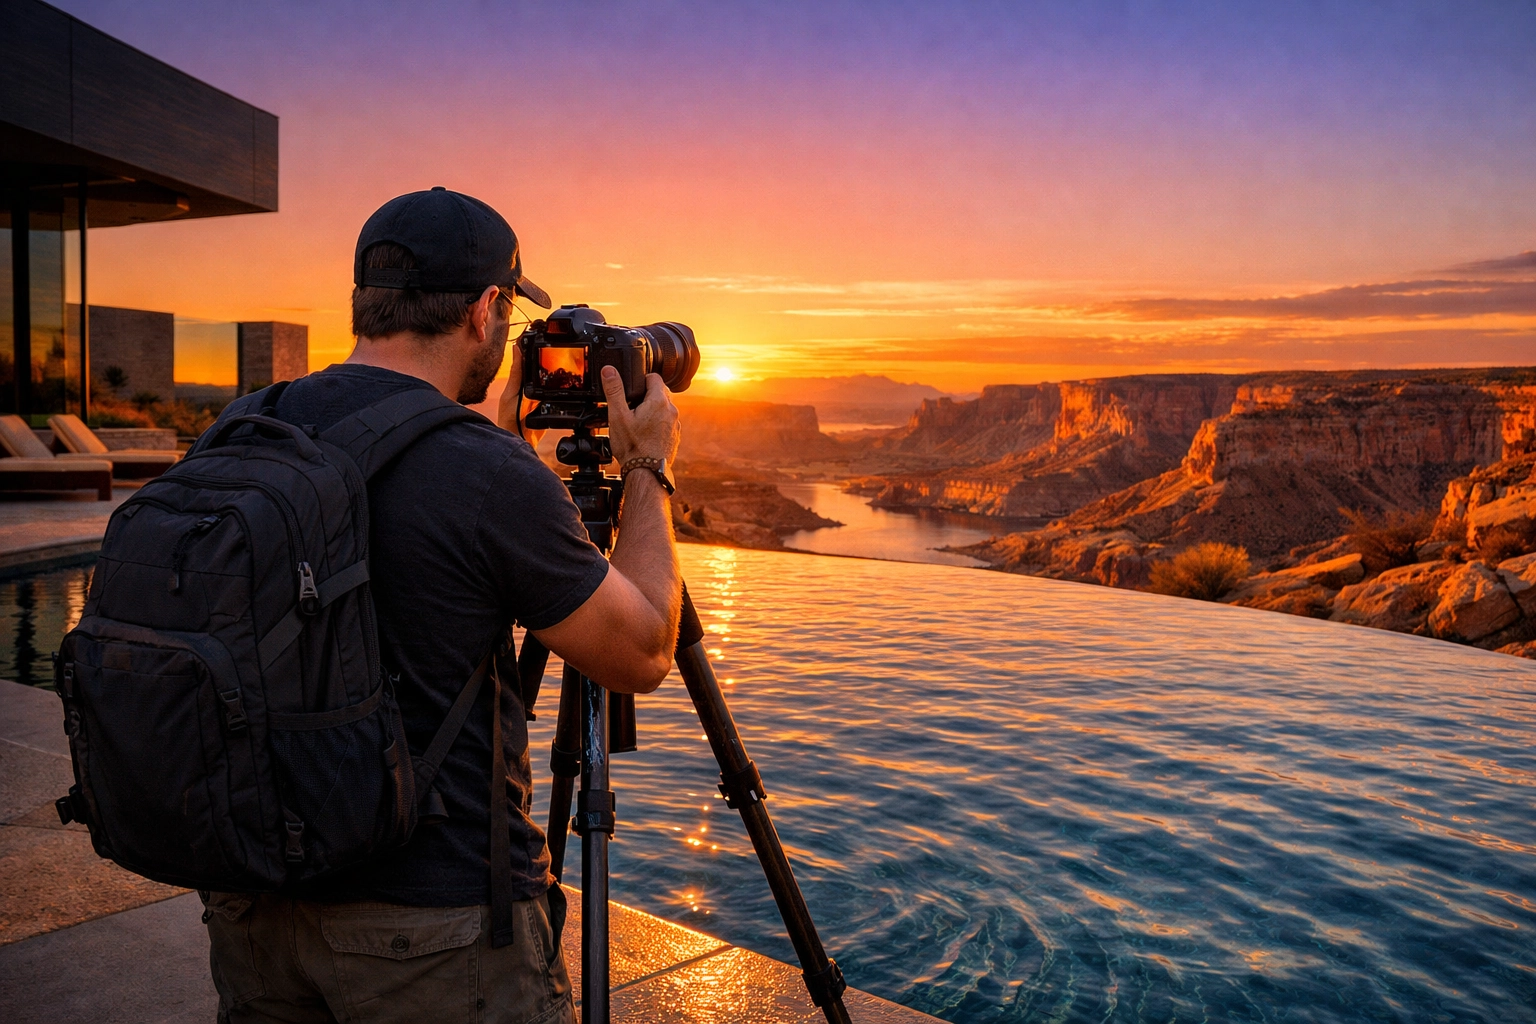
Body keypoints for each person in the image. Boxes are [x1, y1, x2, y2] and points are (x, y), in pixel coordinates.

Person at [200, 187, 683, 1024]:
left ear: (365, 302)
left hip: (251, 905)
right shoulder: (486, 477)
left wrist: (499, 454)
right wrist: (646, 467)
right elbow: (641, 651)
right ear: (487, 310)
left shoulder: (247, 425)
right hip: (428, 932)